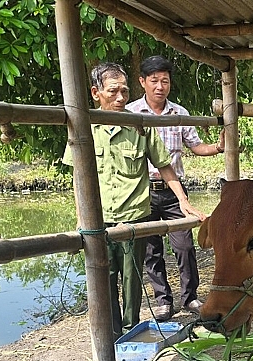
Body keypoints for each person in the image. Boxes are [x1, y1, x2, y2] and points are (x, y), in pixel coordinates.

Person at [63, 62, 205, 338]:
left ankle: (129, 332)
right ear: (96, 93)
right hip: (99, 219)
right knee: (103, 278)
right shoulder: (84, 129)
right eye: (113, 91)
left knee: (131, 280)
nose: (120, 98)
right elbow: (78, 179)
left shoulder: (140, 125)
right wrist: (81, 220)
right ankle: (111, 334)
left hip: (133, 216)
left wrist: (183, 200)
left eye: (124, 92)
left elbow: (165, 165)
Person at [126, 55, 224, 320]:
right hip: (142, 190)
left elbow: (195, 145)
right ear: (142, 82)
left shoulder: (179, 113)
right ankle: (163, 302)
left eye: (165, 81)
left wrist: (217, 147)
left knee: (184, 246)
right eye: (154, 81)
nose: (160, 86)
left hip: (174, 191)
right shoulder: (131, 113)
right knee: (151, 249)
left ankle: (190, 297)